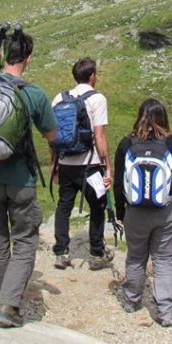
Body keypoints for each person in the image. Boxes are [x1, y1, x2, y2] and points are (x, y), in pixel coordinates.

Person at [0, 29, 57, 328]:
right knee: (24, 241)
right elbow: (52, 134)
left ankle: (6, 295)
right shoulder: (34, 93)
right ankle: (9, 303)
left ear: (3, 55)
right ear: (28, 59)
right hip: (21, 181)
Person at [112, 98, 172, 328]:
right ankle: (165, 312)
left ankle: (131, 301)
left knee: (136, 256)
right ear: (164, 117)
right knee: (164, 260)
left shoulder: (126, 143)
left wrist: (120, 211)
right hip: (166, 212)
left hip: (134, 211)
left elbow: (118, 182)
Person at [51, 57, 114, 271]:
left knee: (64, 206)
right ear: (92, 76)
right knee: (97, 206)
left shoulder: (60, 98)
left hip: (65, 162)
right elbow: (100, 136)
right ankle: (97, 254)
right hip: (91, 164)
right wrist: (108, 167)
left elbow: (53, 136)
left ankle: (61, 252)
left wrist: (55, 166)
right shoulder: (98, 99)